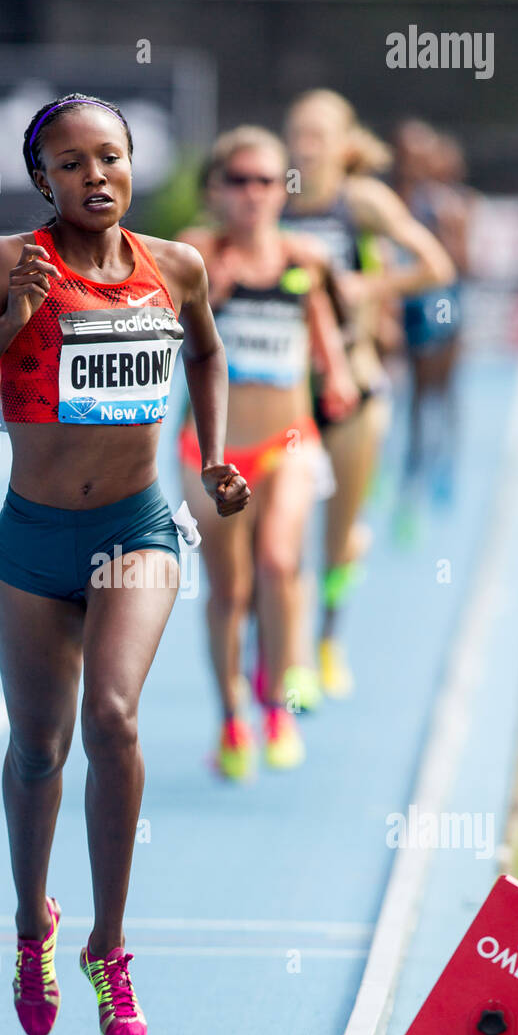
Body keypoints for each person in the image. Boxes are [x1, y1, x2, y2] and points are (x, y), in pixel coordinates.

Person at [0, 93, 249, 1035]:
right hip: (30, 541)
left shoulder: (176, 267)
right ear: (42, 179)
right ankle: (33, 926)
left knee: (114, 716)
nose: (93, 175)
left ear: (134, 163)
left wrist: (214, 456)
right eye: (70, 163)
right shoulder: (5, 264)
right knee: (38, 752)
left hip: (137, 529)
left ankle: (111, 945)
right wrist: (10, 321)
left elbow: (210, 354)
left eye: (110, 157)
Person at [177, 126, 357, 778]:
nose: (253, 194)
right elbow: (159, 326)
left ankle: (279, 701)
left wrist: (335, 371)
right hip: (216, 448)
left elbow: (321, 324)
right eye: (239, 181)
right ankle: (231, 716)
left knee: (281, 561)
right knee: (231, 588)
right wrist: (206, 298)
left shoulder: (304, 256)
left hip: (289, 439)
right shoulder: (196, 255)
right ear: (218, 190)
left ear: (283, 189)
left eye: (265, 181)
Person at [283, 91, 455, 696]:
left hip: (355, 390)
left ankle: (330, 639)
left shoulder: (361, 202)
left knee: (340, 535)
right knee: (284, 534)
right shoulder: (269, 198)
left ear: (344, 142)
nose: (305, 144)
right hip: (286, 394)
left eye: (319, 134)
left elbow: (436, 265)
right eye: (297, 131)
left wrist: (367, 287)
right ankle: (291, 655)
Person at [392, 121, 472, 519]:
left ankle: (437, 471)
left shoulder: (447, 204)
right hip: (404, 302)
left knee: (436, 391)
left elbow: (462, 264)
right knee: (411, 391)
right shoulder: (393, 198)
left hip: (437, 304)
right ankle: (411, 469)